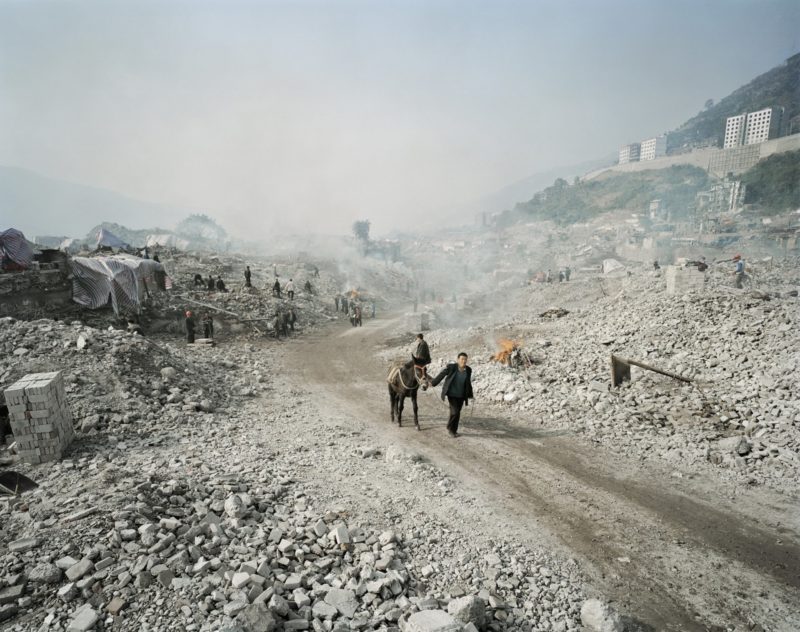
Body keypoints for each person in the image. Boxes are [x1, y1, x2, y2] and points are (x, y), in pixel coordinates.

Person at [430, 352, 474, 437]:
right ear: (458, 360)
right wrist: (433, 383)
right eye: (462, 359)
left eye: (465, 359)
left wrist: (470, 394)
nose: (464, 361)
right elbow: (442, 375)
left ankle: (454, 430)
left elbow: (468, 383)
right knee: (455, 412)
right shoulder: (452, 367)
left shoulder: (468, 370)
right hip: (452, 394)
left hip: (461, 395)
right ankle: (450, 429)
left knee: (457, 413)